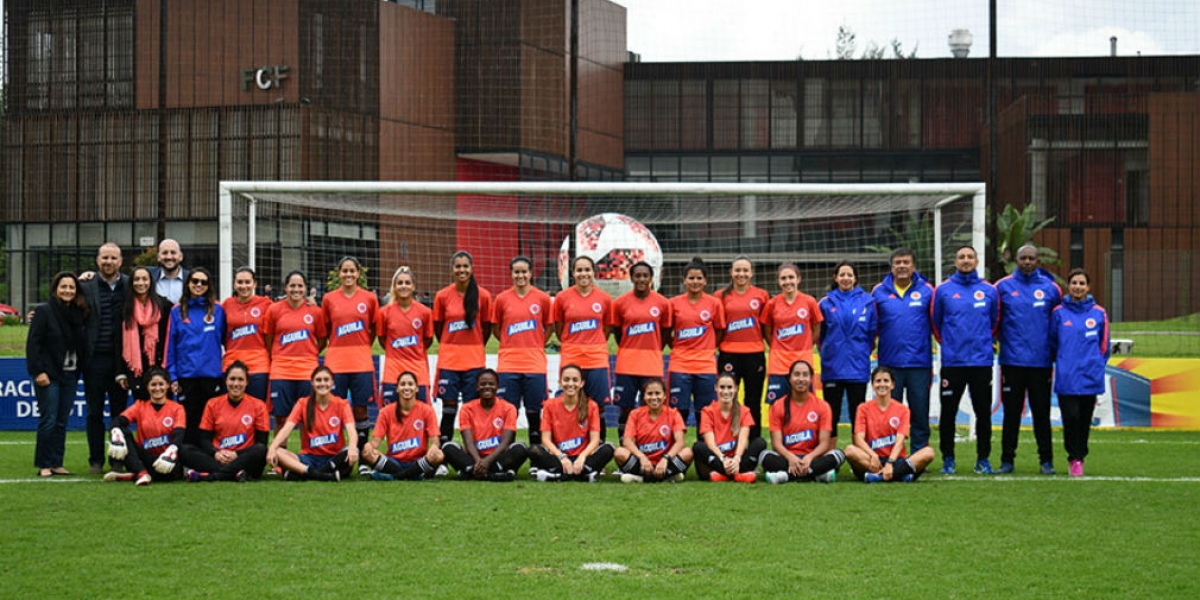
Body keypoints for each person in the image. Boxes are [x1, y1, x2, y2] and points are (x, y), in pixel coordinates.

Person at [931, 245, 1000, 475]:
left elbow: (994, 322)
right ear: (955, 261)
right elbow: (936, 323)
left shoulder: (989, 290)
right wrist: (951, 344)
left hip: (981, 362)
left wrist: (979, 342)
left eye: (970, 257)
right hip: (953, 362)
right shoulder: (943, 290)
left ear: (977, 261)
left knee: (983, 413)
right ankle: (948, 459)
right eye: (962, 257)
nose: (966, 260)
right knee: (948, 413)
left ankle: (983, 459)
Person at [995, 245, 1062, 475]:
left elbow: (1058, 322)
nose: (1026, 261)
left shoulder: (1051, 289)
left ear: (1038, 261)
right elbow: (995, 321)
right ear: (1016, 259)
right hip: (1012, 362)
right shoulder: (1002, 287)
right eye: (1022, 257)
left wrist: (1051, 350)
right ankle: (1007, 461)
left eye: (1031, 258)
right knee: (1011, 415)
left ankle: (1046, 461)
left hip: (1041, 362)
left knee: (1042, 414)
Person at [871, 247, 936, 452]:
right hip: (890, 366)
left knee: (919, 413)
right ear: (891, 267)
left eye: (906, 262)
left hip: (919, 364)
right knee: (888, 414)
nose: (901, 266)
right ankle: (890, 454)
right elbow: (872, 326)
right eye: (897, 263)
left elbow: (937, 323)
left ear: (913, 266)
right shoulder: (878, 291)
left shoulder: (927, 290)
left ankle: (919, 455)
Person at [27, 272, 88, 477]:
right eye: (63, 287)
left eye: (72, 287)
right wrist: (38, 371)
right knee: (49, 419)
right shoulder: (44, 311)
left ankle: (56, 462)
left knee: (62, 421)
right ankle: (44, 464)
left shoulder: (78, 313)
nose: (68, 291)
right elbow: (33, 344)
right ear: (55, 289)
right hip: (49, 374)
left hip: (70, 375)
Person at [1050, 269, 1110, 477]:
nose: (1078, 286)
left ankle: (1079, 458)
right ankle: (1072, 456)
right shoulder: (1059, 313)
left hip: (1089, 376)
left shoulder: (1099, 313)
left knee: (1084, 420)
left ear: (1088, 287)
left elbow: (1104, 346)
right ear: (1069, 286)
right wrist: (1065, 361)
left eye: (1082, 283)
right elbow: (1053, 342)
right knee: (1071, 418)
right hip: (1067, 375)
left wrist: (1095, 364)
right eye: (1074, 282)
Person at [321, 256, 380, 465]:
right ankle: (333, 455)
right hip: (336, 362)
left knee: (361, 409)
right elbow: (327, 330)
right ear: (339, 274)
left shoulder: (369, 298)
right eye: (344, 271)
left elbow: (373, 328)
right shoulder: (329, 299)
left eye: (352, 271)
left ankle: (363, 460)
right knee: (333, 408)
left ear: (358, 274)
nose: (348, 275)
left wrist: (362, 345)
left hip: (361, 362)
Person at [551, 255, 614, 442]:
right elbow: (559, 327)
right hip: (571, 357)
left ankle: (598, 450)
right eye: (579, 270)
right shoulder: (562, 298)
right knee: (569, 404)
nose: (583, 274)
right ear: (573, 273)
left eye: (587, 270)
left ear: (593, 273)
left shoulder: (604, 299)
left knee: (598, 407)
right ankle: (569, 446)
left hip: (596, 359)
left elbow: (606, 328)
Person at [433, 251, 493, 443]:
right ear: (452, 270)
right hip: (449, 361)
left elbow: (486, 328)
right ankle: (443, 454)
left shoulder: (483, 296)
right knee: (448, 410)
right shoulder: (442, 296)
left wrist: (472, 347)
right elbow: (438, 328)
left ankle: (473, 451)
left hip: (474, 362)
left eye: (465, 266)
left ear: (471, 268)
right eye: (458, 266)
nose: (462, 270)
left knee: (472, 410)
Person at [492, 256, 553, 445]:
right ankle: (507, 455)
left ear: (531, 273)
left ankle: (536, 456)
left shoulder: (542, 298)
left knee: (534, 412)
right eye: (516, 272)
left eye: (524, 272)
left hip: (534, 364)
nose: (521, 275)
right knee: (509, 412)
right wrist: (511, 343)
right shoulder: (502, 299)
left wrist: (535, 342)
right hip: (508, 364)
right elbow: (496, 328)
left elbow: (549, 327)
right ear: (511, 274)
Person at [80, 242, 129, 474]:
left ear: (120, 261)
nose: (108, 262)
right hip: (94, 360)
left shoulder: (130, 284)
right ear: (97, 260)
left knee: (119, 414)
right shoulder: (85, 285)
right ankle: (96, 460)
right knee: (94, 413)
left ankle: (117, 458)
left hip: (121, 361)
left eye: (113, 258)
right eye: (104, 258)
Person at [164, 266, 226, 446]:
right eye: (195, 281)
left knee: (211, 422)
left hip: (211, 377)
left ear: (209, 286)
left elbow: (225, 340)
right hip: (186, 377)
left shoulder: (218, 310)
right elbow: (171, 346)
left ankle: (211, 459)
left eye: (203, 282)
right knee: (189, 421)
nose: (199, 285)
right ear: (188, 284)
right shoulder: (177, 311)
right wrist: (173, 376)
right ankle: (189, 461)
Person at [177, 362, 270, 482]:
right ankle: (236, 474)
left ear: (247, 382)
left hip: (243, 458)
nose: (236, 384)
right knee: (184, 450)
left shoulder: (258, 406)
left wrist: (236, 454)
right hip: (218, 458)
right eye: (232, 379)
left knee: (261, 451)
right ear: (226, 381)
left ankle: (212, 476)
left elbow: (261, 442)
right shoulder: (213, 404)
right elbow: (204, 439)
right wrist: (216, 453)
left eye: (240, 380)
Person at [610, 261, 672, 439]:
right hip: (626, 365)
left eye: (645, 275)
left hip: (651, 365)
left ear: (651, 278)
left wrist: (651, 349)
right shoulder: (620, 303)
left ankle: (648, 448)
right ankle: (625, 453)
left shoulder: (662, 303)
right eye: (638, 275)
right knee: (626, 409)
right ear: (631, 278)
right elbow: (617, 333)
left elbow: (665, 333)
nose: (641, 279)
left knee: (650, 410)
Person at [263, 271, 327, 444]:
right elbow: (268, 338)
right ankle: (279, 459)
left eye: (300, 286)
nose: (296, 289)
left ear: (305, 288)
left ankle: (306, 456)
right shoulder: (274, 310)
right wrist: (278, 356)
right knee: (281, 419)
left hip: (307, 371)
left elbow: (322, 339)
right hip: (281, 371)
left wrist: (310, 353)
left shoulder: (315, 312)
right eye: (292, 285)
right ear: (286, 287)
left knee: (308, 417)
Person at [817, 262, 876, 445]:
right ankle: (829, 459)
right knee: (831, 416)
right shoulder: (826, 303)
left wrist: (859, 351)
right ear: (835, 278)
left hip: (858, 368)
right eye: (842, 275)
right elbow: (820, 336)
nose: (846, 278)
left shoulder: (867, 302)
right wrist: (831, 351)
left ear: (855, 278)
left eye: (849, 275)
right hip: (833, 367)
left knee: (857, 416)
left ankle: (859, 458)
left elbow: (872, 333)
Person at [844, 366, 936, 483]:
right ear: (872, 385)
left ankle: (881, 476)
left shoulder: (903, 410)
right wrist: (873, 455)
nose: (882, 384)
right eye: (878, 381)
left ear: (892, 385)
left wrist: (890, 462)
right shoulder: (863, 408)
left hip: (895, 460)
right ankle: (900, 475)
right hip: (872, 460)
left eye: (886, 381)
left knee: (928, 452)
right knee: (849, 450)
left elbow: (900, 440)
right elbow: (859, 439)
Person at [266, 366, 358, 481]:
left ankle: (304, 474)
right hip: (308, 458)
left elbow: (352, 431)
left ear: (332, 382)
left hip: (334, 457)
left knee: (351, 451)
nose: (322, 383)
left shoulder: (342, 404)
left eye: (326, 380)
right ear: (312, 383)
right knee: (279, 452)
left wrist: (353, 448)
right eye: (318, 380)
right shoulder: (303, 403)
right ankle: (322, 475)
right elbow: (286, 429)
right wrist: (272, 448)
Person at [761, 360, 845, 484]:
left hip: (813, 458)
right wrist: (791, 458)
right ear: (790, 378)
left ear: (811, 379)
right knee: (764, 456)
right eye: (797, 374)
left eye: (805, 375)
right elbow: (776, 444)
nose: (801, 379)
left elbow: (824, 443)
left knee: (839, 454)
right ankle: (816, 475)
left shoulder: (822, 406)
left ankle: (786, 476)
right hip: (788, 458)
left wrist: (809, 457)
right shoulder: (778, 406)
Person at [528, 364, 615, 482]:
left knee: (608, 449)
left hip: (582, 458)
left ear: (582, 383)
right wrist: (562, 457)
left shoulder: (591, 405)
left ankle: (557, 475)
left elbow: (595, 440)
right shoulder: (549, 405)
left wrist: (582, 457)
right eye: (566, 380)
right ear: (560, 382)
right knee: (534, 450)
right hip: (559, 458)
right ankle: (584, 475)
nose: (570, 384)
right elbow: (545, 439)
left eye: (575, 380)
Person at [102, 367, 188, 485]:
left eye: (161, 384)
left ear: (168, 385)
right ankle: (142, 473)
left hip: (166, 458)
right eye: (153, 385)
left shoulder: (177, 408)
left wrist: (171, 451)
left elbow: (179, 434)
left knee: (173, 471)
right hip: (143, 457)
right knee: (122, 432)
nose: (157, 388)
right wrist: (116, 432)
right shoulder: (140, 406)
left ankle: (134, 475)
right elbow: (118, 421)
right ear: (147, 387)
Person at [715, 255, 770, 439]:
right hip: (728, 354)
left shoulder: (762, 295)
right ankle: (728, 444)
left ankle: (753, 447)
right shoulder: (720, 296)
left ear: (751, 273)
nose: (741, 274)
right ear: (731, 272)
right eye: (737, 270)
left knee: (753, 402)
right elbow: (718, 327)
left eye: (745, 270)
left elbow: (766, 326)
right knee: (728, 401)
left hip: (754, 355)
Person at [667, 258, 725, 429]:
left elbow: (720, 331)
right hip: (680, 364)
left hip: (705, 366)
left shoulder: (714, 303)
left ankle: (705, 451)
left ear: (705, 280)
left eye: (699, 278)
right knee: (678, 412)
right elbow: (666, 332)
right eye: (691, 278)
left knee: (705, 412)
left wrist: (707, 348)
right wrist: (678, 347)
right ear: (684, 280)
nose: (695, 282)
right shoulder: (674, 303)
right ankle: (677, 451)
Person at [442, 369, 529, 481]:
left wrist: (487, 462)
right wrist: (479, 461)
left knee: (520, 448)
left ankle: (470, 472)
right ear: (477, 387)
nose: (487, 387)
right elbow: (468, 443)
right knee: (447, 447)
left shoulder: (509, 408)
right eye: (483, 384)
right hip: (474, 457)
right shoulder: (466, 409)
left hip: (497, 457)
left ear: (497, 387)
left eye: (491, 384)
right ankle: (495, 474)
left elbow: (505, 443)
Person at [361, 371, 444, 481]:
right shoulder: (385, 412)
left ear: (416, 388)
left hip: (418, 460)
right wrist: (369, 446)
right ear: (397, 389)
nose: (406, 387)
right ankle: (412, 475)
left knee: (439, 455)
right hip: (394, 461)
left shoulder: (427, 410)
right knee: (367, 453)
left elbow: (435, 441)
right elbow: (375, 442)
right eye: (403, 384)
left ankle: (395, 475)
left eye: (410, 384)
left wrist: (434, 448)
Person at [762, 263, 822, 405]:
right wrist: (779, 347)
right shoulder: (772, 304)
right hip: (779, 363)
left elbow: (816, 329)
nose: (787, 282)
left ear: (798, 279)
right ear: (778, 281)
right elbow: (768, 333)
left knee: (805, 405)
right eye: (783, 278)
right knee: (777, 406)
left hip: (803, 361)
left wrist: (805, 344)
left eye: (791, 277)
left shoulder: (809, 302)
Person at [613, 377, 692, 483]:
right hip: (643, 463)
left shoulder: (673, 414)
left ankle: (641, 478)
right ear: (644, 397)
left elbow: (680, 442)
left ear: (664, 396)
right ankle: (668, 477)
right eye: (650, 394)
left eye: (657, 393)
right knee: (619, 453)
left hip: (666, 462)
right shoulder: (635, 414)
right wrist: (642, 457)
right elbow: (627, 441)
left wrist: (666, 458)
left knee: (688, 452)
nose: (654, 397)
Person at [692, 372, 765, 483]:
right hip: (718, 458)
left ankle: (723, 475)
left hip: (736, 460)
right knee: (698, 447)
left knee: (760, 442)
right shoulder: (707, 411)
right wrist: (723, 459)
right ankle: (738, 475)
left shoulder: (744, 411)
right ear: (715, 388)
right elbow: (710, 443)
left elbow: (743, 440)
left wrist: (736, 459)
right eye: (722, 387)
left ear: (736, 389)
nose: (726, 391)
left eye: (729, 387)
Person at [377, 266, 434, 404]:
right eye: (400, 283)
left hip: (418, 372)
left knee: (422, 416)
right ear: (394, 286)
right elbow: (382, 339)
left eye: (407, 283)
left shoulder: (425, 312)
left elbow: (428, 340)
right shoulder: (384, 312)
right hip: (392, 371)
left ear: (413, 286)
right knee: (388, 416)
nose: (404, 286)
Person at [115, 266, 172, 401]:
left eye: (145, 279)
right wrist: (120, 373)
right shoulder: (124, 308)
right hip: (136, 370)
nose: (141, 283)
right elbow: (118, 342)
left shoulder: (164, 306)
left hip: (160, 368)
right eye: (137, 279)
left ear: (151, 282)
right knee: (142, 414)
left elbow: (170, 339)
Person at [222, 267, 273, 403]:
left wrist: (308, 303)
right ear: (234, 284)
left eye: (247, 282)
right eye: (240, 282)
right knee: (232, 409)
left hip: (258, 364)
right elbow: (221, 333)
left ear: (254, 284)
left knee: (258, 408)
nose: (243, 286)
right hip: (232, 363)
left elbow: (285, 312)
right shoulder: (227, 304)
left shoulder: (266, 303)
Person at [147, 239, 189, 304]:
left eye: (173, 253)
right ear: (158, 257)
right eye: (165, 253)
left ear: (180, 256)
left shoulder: (191, 278)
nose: (169, 257)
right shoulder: (149, 276)